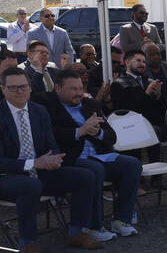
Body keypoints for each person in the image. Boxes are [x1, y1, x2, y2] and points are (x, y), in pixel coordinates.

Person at [0, 67, 103, 253]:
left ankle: (76, 233)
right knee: (30, 185)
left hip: (39, 170)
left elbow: (51, 145)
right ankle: (27, 245)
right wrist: (34, 163)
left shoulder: (39, 112)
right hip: (8, 177)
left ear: (30, 88)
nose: (19, 91)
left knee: (85, 176)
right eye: (13, 88)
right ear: (3, 89)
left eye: (23, 86)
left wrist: (54, 159)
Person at [45, 69, 141, 238]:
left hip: (100, 154)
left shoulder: (91, 105)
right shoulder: (49, 107)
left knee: (132, 164)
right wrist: (80, 131)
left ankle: (121, 220)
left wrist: (97, 132)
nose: (78, 93)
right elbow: (51, 134)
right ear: (58, 88)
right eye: (73, 89)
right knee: (95, 170)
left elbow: (112, 137)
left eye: (80, 88)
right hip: (72, 157)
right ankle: (93, 227)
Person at [110, 50, 167, 139]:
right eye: (138, 61)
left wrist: (159, 96)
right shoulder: (119, 84)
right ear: (127, 62)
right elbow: (127, 112)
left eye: (144, 62)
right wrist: (146, 94)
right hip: (134, 128)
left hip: (157, 124)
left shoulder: (149, 81)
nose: (142, 64)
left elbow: (164, 109)